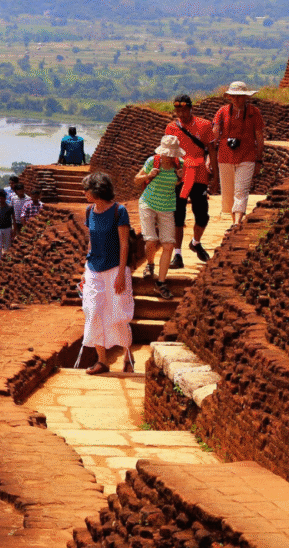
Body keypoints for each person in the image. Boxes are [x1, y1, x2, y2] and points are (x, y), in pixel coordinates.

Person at [77, 172, 135, 375]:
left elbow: (124, 244)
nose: (84, 193)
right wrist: (86, 269)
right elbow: (91, 242)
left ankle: (127, 355)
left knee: (117, 314)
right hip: (94, 268)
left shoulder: (119, 211)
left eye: (87, 189)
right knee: (92, 311)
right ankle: (102, 361)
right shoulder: (89, 211)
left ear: (97, 190)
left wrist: (121, 274)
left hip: (115, 268)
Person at [165, 94, 217, 267]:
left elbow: (211, 149)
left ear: (190, 108)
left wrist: (215, 175)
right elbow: (168, 152)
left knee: (202, 215)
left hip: (200, 173)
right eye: (178, 110)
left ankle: (195, 242)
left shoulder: (204, 125)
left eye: (184, 109)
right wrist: (173, 171)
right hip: (179, 176)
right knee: (178, 216)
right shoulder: (171, 128)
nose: (181, 113)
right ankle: (177, 254)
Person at [134, 135, 185, 300]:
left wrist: (180, 177)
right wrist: (148, 175)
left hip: (167, 206)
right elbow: (136, 180)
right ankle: (150, 264)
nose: (169, 157)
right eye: (167, 154)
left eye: (172, 155)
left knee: (169, 244)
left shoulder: (180, 165)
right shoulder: (152, 162)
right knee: (151, 240)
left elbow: (176, 184)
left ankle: (160, 283)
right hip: (148, 203)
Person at [213, 81, 265, 226]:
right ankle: (234, 221)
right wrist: (208, 156)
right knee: (229, 193)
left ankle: (237, 223)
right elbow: (214, 135)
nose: (236, 99)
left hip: (247, 156)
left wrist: (259, 160)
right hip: (225, 157)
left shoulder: (254, 113)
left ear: (246, 97)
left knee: (241, 190)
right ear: (229, 97)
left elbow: (259, 137)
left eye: (240, 96)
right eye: (234, 96)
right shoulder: (222, 112)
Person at [0, 188, 16, 260]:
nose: (0, 200)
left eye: (2, 198)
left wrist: (14, 230)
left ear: (5, 198)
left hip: (7, 229)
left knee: (7, 247)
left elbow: (14, 219)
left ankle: (6, 262)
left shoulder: (10, 208)